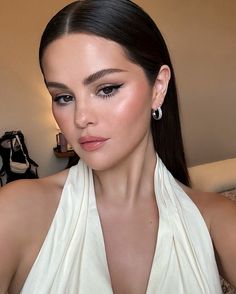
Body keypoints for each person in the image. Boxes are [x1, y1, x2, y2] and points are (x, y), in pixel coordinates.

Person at [0, 0, 235, 293]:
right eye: (63, 97)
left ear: (158, 88)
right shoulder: (15, 210)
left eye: (106, 89)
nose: (81, 118)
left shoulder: (216, 220)